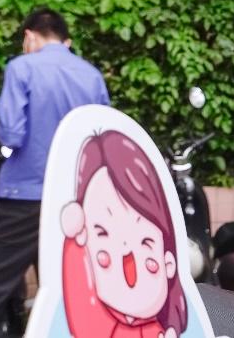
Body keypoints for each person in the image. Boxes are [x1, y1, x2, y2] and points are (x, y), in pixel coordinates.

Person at [0, 9, 110, 338]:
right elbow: (101, 136)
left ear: (30, 36)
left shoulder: (22, 67)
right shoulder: (91, 76)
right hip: (77, 200)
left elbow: (12, 134)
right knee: (69, 294)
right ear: (64, 40)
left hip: (25, 195)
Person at [60, 130, 185, 338]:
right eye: (103, 235)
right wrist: (73, 246)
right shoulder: (98, 324)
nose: (126, 252)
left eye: (145, 242)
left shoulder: (160, 329)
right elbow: (79, 304)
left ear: (168, 262)